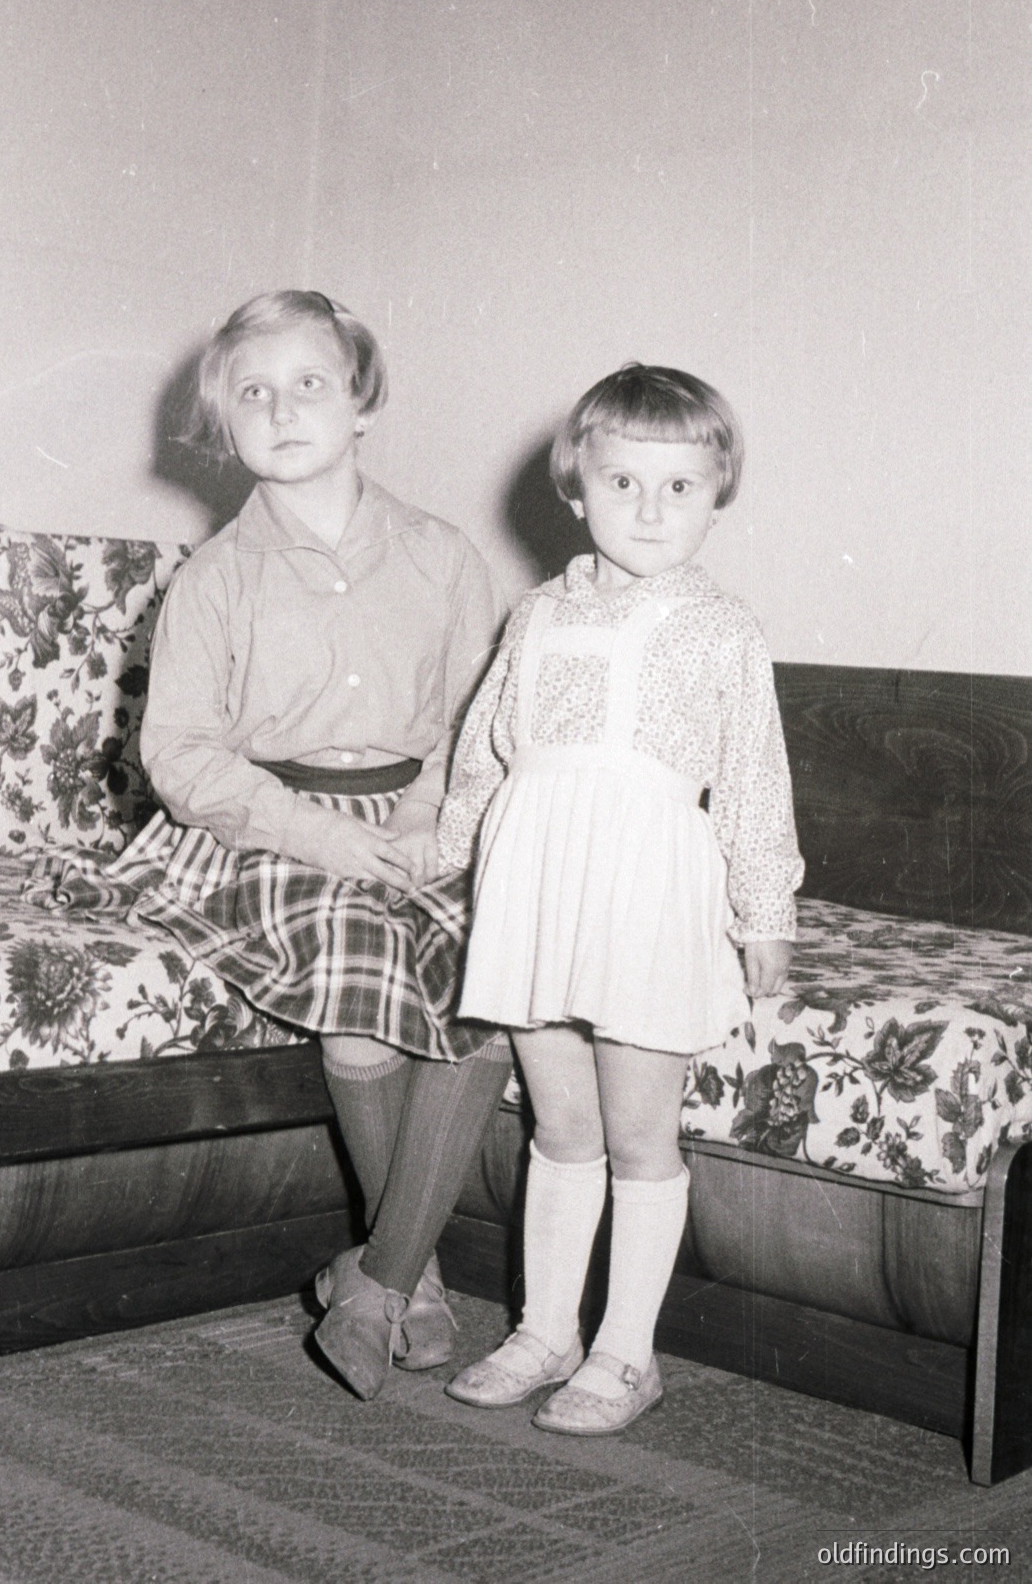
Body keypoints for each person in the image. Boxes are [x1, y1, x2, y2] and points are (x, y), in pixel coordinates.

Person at [121, 289, 513, 1400]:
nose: (283, 409)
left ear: (362, 403)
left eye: (310, 384)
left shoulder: (441, 557)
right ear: (224, 424)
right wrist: (321, 840)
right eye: (254, 392)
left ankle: (378, 1281)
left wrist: (440, 815)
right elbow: (187, 759)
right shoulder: (214, 580)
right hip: (270, 829)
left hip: (421, 821)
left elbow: (479, 719)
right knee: (358, 969)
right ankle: (416, 1282)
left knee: (496, 973)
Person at [436, 364, 803, 1435]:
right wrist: (452, 857)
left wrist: (764, 912)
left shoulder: (722, 627)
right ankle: (545, 1330)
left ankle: (625, 1353)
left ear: (718, 492)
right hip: (538, 883)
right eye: (625, 483)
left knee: (641, 1132)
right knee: (560, 1125)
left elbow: (751, 778)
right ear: (575, 489)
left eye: (680, 486)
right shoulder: (537, 612)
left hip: (647, 889)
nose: (651, 509)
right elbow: (483, 752)